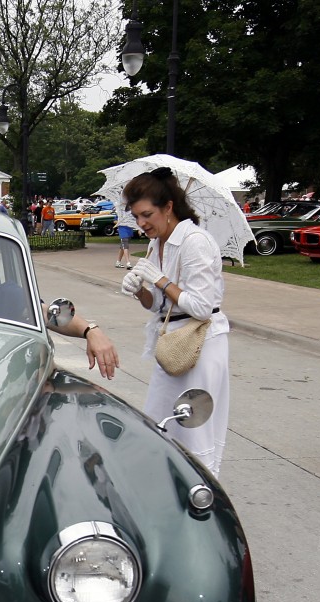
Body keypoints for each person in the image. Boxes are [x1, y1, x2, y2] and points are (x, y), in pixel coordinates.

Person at [121, 166, 229, 476]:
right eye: (136, 217)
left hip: (200, 343)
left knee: (194, 426)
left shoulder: (196, 241)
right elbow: (159, 304)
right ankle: (165, 485)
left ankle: (200, 491)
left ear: (168, 207)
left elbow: (201, 306)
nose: (141, 224)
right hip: (172, 341)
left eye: (146, 215)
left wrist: (162, 280)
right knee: (160, 420)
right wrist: (140, 290)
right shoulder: (158, 243)